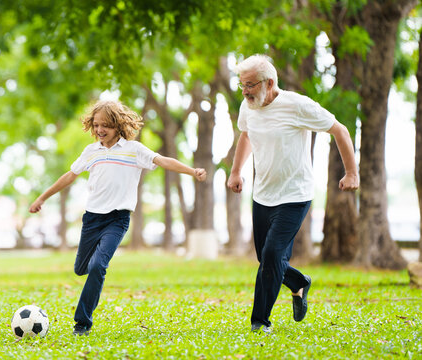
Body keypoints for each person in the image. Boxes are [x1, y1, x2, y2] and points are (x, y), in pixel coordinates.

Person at [29, 100, 206, 336]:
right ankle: (88, 276)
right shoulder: (91, 151)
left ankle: (82, 323)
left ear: (118, 125)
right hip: (92, 219)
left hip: (117, 219)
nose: (101, 130)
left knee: (98, 266)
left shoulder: (134, 149)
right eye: (97, 125)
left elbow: (162, 160)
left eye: (106, 126)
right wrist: (42, 197)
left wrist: (192, 171)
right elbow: (70, 176)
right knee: (82, 268)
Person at [227, 54, 359, 333]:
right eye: (242, 85)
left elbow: (340, 130)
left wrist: (351, 173)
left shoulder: (297, 105)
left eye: (250, 85)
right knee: (267, 259)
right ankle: (299, 283)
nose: (245, 91)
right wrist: (236, 171)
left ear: (269, 82)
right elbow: (246, 134)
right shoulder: (248, 106)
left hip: (294, 195)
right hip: (262, 194)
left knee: (273, 256)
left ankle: (259, 322)